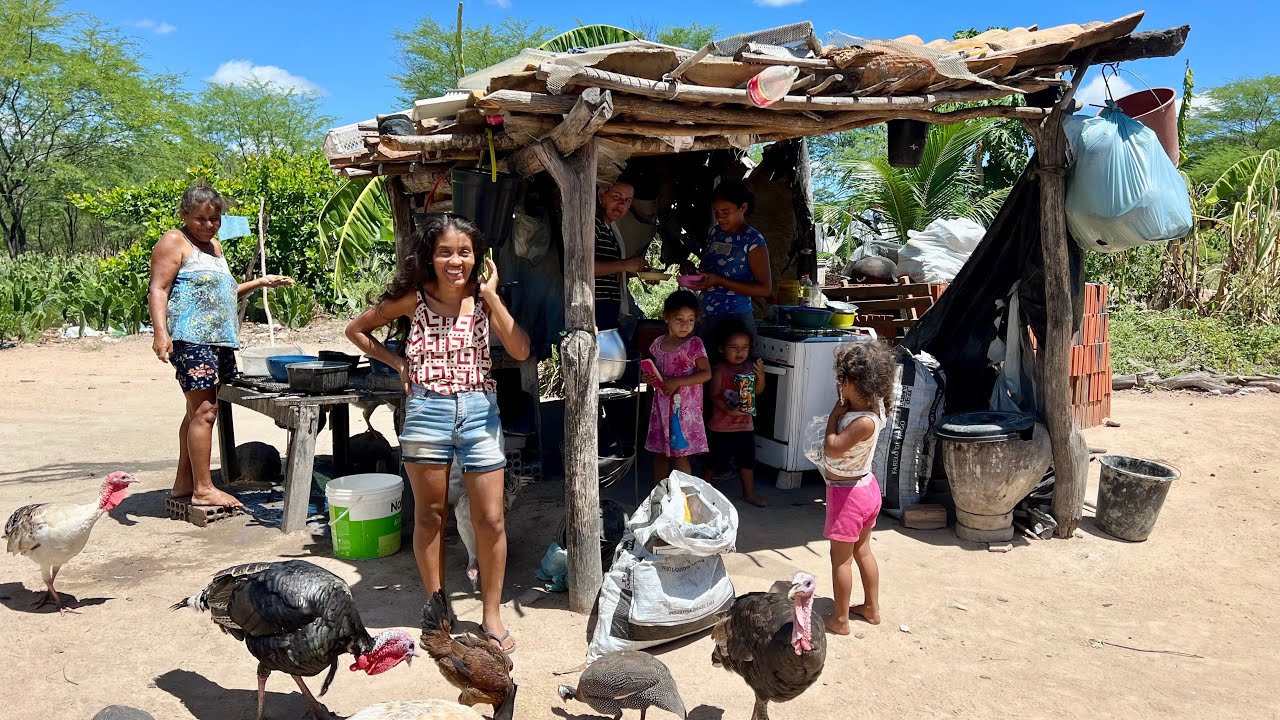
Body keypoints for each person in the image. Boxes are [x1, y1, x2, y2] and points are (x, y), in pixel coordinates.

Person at [345, 213, 530, 654]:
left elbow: (522, 350)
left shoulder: (485, 300)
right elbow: (356, 330)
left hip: (480, 411)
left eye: (464, 252)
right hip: (427, 410)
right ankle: (438, 611)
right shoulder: (415, 299)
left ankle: (490, 614)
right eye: (445, 251)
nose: (455, 261)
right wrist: (399, 364)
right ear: (430, 256)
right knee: (430, 517)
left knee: (491, 519)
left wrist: (492, 297)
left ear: (477, 257)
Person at [149, 184, 293, 508]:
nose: (209, 225)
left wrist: (260, 282)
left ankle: (184, 483)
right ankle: (203, 489)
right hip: (191, 339)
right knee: (206, 411)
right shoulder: (174, 241)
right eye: (201, 219)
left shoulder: (214, 247)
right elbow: (158, 289)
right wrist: (161, 335)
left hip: (219, 340)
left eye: (215, 219)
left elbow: (222, 293)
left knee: (195, 411)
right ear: (184, 214)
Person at [819, 340, 894, 634]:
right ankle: (871, 608)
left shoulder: (860, 421)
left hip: (847, 496)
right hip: (866, 487)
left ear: (850, 382)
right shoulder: (875, 409)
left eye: (842, 382)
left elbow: (833, 448)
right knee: (863, 551)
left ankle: (840, 620)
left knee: (841, 560)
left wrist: (834, 416)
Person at [687, 180, 772, 363]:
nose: (720, 217)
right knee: (705, 377)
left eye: (726, 212)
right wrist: (692, 272)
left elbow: (765, 289)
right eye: (716, 213)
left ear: (743, 207)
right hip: (707, 316)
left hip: (735, 320)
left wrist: (720, 281)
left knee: (736, 380)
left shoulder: (753, 240)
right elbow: (708, 271)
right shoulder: (714, 233)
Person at [641, 290, 711, 483]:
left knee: (681, 454)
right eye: (679, 319)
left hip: (683, 411)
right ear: (667, 318)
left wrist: (676, 382)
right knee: (660, 453)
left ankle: (685, 501)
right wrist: (649, 377)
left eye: (690, 320)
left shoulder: (694, 344)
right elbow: (657, 373)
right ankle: (659, 497)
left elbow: (706, 373)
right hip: (662, 408)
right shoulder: (658, 344)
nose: (685, 325)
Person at [706, 321, 767, 507]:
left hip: (745, 426)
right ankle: (705, 492)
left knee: (747, 462)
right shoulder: (719, 371)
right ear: (721, 349)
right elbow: (713, 396)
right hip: (721, 428)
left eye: (744, 347)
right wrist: (728, 411)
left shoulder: (749, 368)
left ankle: (749, 493)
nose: (740, 352)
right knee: (714, 462)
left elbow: (757, 392)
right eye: (734, 347)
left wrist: (761, 378)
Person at [593, 179, 648, 332]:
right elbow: (582, 267)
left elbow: (608, 271)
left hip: (608, 306)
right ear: (601, 195)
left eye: (627, 200)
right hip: (593, 307)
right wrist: (624, 265)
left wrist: (636, 271)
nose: (622, 204)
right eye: (616, 196)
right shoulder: (593, 224)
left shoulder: (609, 228)